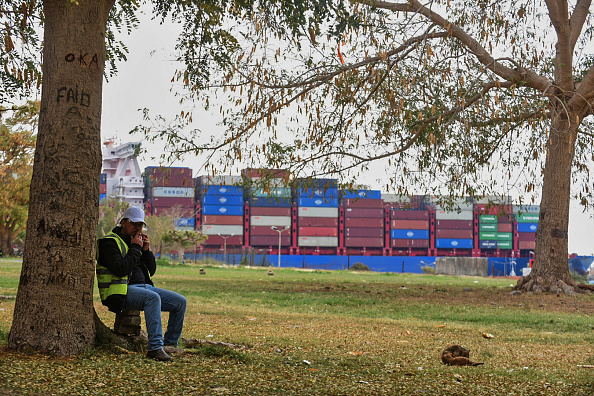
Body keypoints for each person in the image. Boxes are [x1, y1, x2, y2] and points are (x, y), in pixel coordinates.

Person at [96, 206, 187, 361]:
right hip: (120, 291)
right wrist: (136, 248)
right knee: (153, 298)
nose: (138, 228)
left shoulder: (135, 243)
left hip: (144, 287)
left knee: (180, 302)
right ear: (124, 223)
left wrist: (145, 251)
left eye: (141, 225)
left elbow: (150, 271)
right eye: (134, 224)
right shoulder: (108, 243)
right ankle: (155, 348)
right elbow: (120, 269)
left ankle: (170, 345)